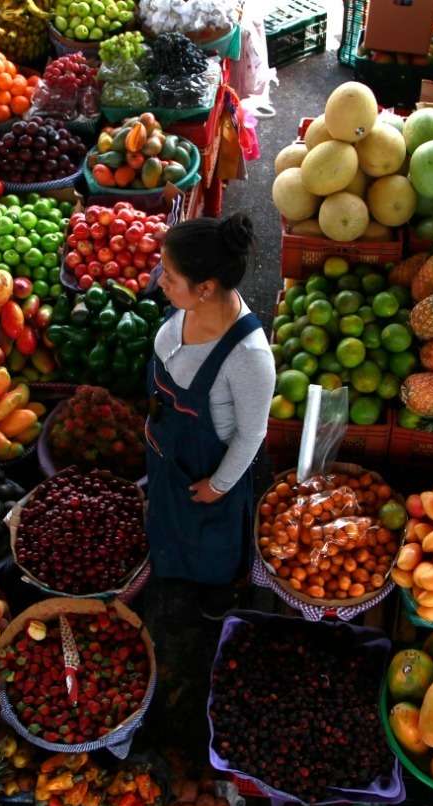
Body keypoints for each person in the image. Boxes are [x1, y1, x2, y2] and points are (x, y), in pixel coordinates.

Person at [145, 213, 275, 586]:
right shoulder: (190, 303)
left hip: (204, 469)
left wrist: (218, 485)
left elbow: (251, 434)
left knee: (208, 543)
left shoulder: (248, 357)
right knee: (168, 520)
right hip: (167, 453)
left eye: (170, 276)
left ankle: (217, 592)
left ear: (205, 287)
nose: (160, 280)